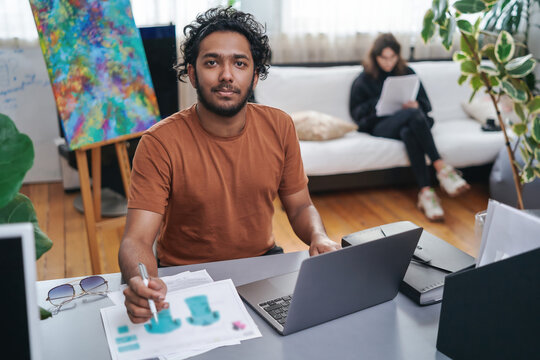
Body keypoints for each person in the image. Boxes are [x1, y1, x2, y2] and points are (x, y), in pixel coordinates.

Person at [118, 7, 340, 324]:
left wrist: (318, 236)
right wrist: (140, 281)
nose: (226, 75)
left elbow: (301, 206)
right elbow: (137, 240)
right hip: (182, 276)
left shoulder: (280, 126)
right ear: (192, 72)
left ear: (255, 73)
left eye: (239, 63)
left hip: (262, 266)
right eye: (212, 62)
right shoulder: (159, 142)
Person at [349, 33, 469, 221]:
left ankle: (426, 193)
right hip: (380, 125)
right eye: (384, 58)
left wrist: (415, 105)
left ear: (398, 56)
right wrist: (378, 103)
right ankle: (441, 168)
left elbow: (426, 106)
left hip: (407, 125)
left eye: (392, 57)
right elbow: (358, 117)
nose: (388, 62)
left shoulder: (407, 72)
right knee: (413, 118)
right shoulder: (364, 79)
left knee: (409, 130)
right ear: (375, 57)